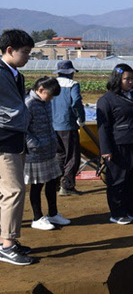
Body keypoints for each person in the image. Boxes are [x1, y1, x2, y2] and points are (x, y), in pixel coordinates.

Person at [97, 64, 133, 224]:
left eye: (132, 79)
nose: (130, 82)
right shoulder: (106, 100)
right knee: (118, 180)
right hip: (119, 146)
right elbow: (103, 127)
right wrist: (106, 150)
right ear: (117, 80)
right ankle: (117, 213)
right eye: (126, 79)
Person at [0, 29, 35, 265]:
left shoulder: (15, 75)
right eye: (25, 52)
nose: (28, 57)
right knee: (14, 191)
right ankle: (7, 244)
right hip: (4, 138)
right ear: (10, 50)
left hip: (15, 137)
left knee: (6, 191)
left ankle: (4, 240)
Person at [24, 77, 71, 231]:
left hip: (49, 150)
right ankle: (37, 218)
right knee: (37, 186)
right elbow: (24, 130)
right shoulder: (28, 104)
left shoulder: (46, 102)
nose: (50, 99)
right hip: (36, 154)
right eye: (49, 95)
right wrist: (35, 145)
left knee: (52, 182)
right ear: (41, 89)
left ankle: (53, 213)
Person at [51, 60, 86, 196]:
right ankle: (67, 186)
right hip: (67, 125)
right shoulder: (72, 85)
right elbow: (76, 101)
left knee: (59, 155)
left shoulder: (50, 84)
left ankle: (54, 183)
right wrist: (81, 118)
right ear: (71, 73)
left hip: (52, 125)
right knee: (72, 156)